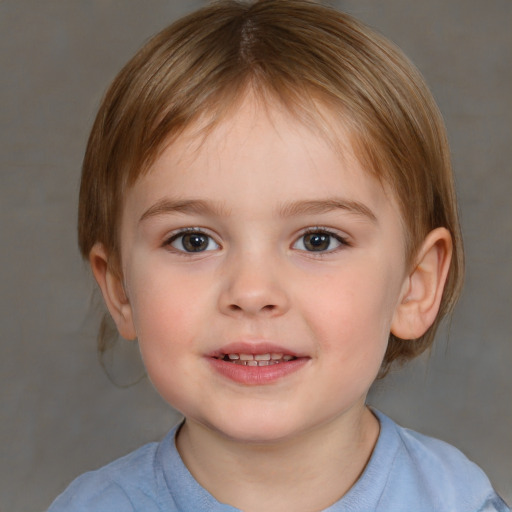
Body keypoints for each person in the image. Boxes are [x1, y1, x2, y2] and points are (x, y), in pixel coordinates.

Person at [47, 1, 509, 511]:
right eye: (193, 240)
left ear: (414, 284)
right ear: (119, 288)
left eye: (318, 240)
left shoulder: (458, 502)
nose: (251, 292)